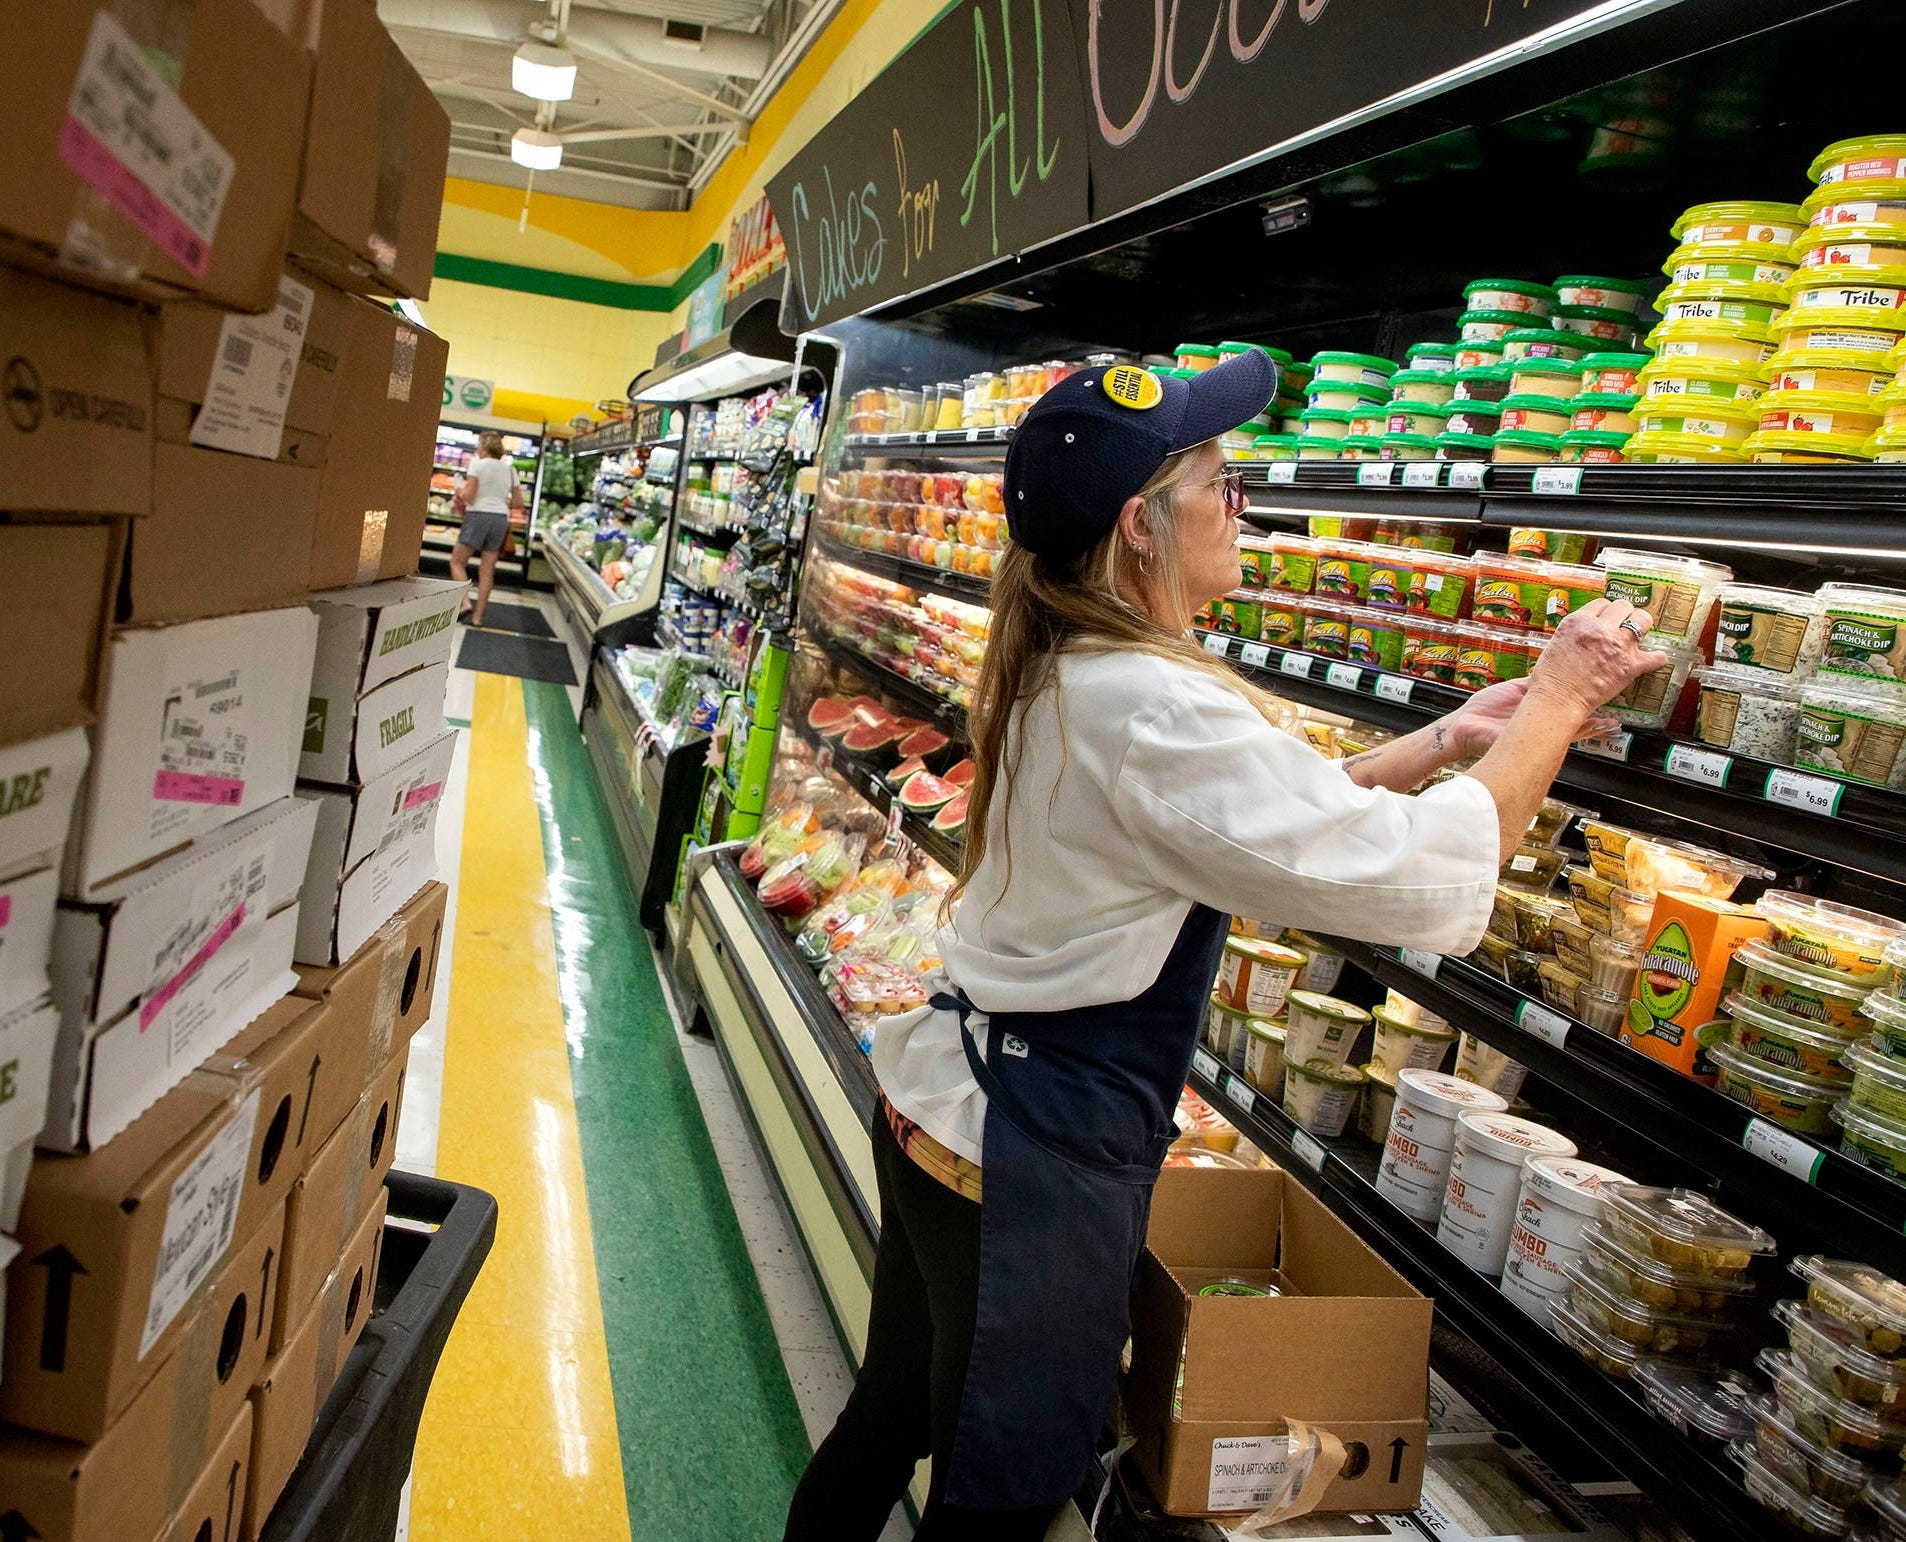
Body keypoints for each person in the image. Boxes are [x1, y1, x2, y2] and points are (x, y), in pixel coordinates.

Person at [782, 351, 1666, 1541]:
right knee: (1003, 1497)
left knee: (889, 1419)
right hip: (1028, 1156)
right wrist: (1562, 697)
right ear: (1142, 528)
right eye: (1223, 481)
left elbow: (1220, 833)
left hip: (953, 1114)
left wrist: (1446, 739)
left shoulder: (1075, 662)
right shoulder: (1153, 703)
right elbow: (1407, 873)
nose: (1242, 503)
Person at [451, 431, 523, 626]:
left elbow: (469, 495)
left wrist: (458, 488)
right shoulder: (510, 470)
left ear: (483, 447)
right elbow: (518, 501)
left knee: (457, 562)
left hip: (477, 516)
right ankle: (477, 618)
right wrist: (498, 502)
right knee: (487, 571)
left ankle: (465, 603)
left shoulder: (477, 464)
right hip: (500, 519)